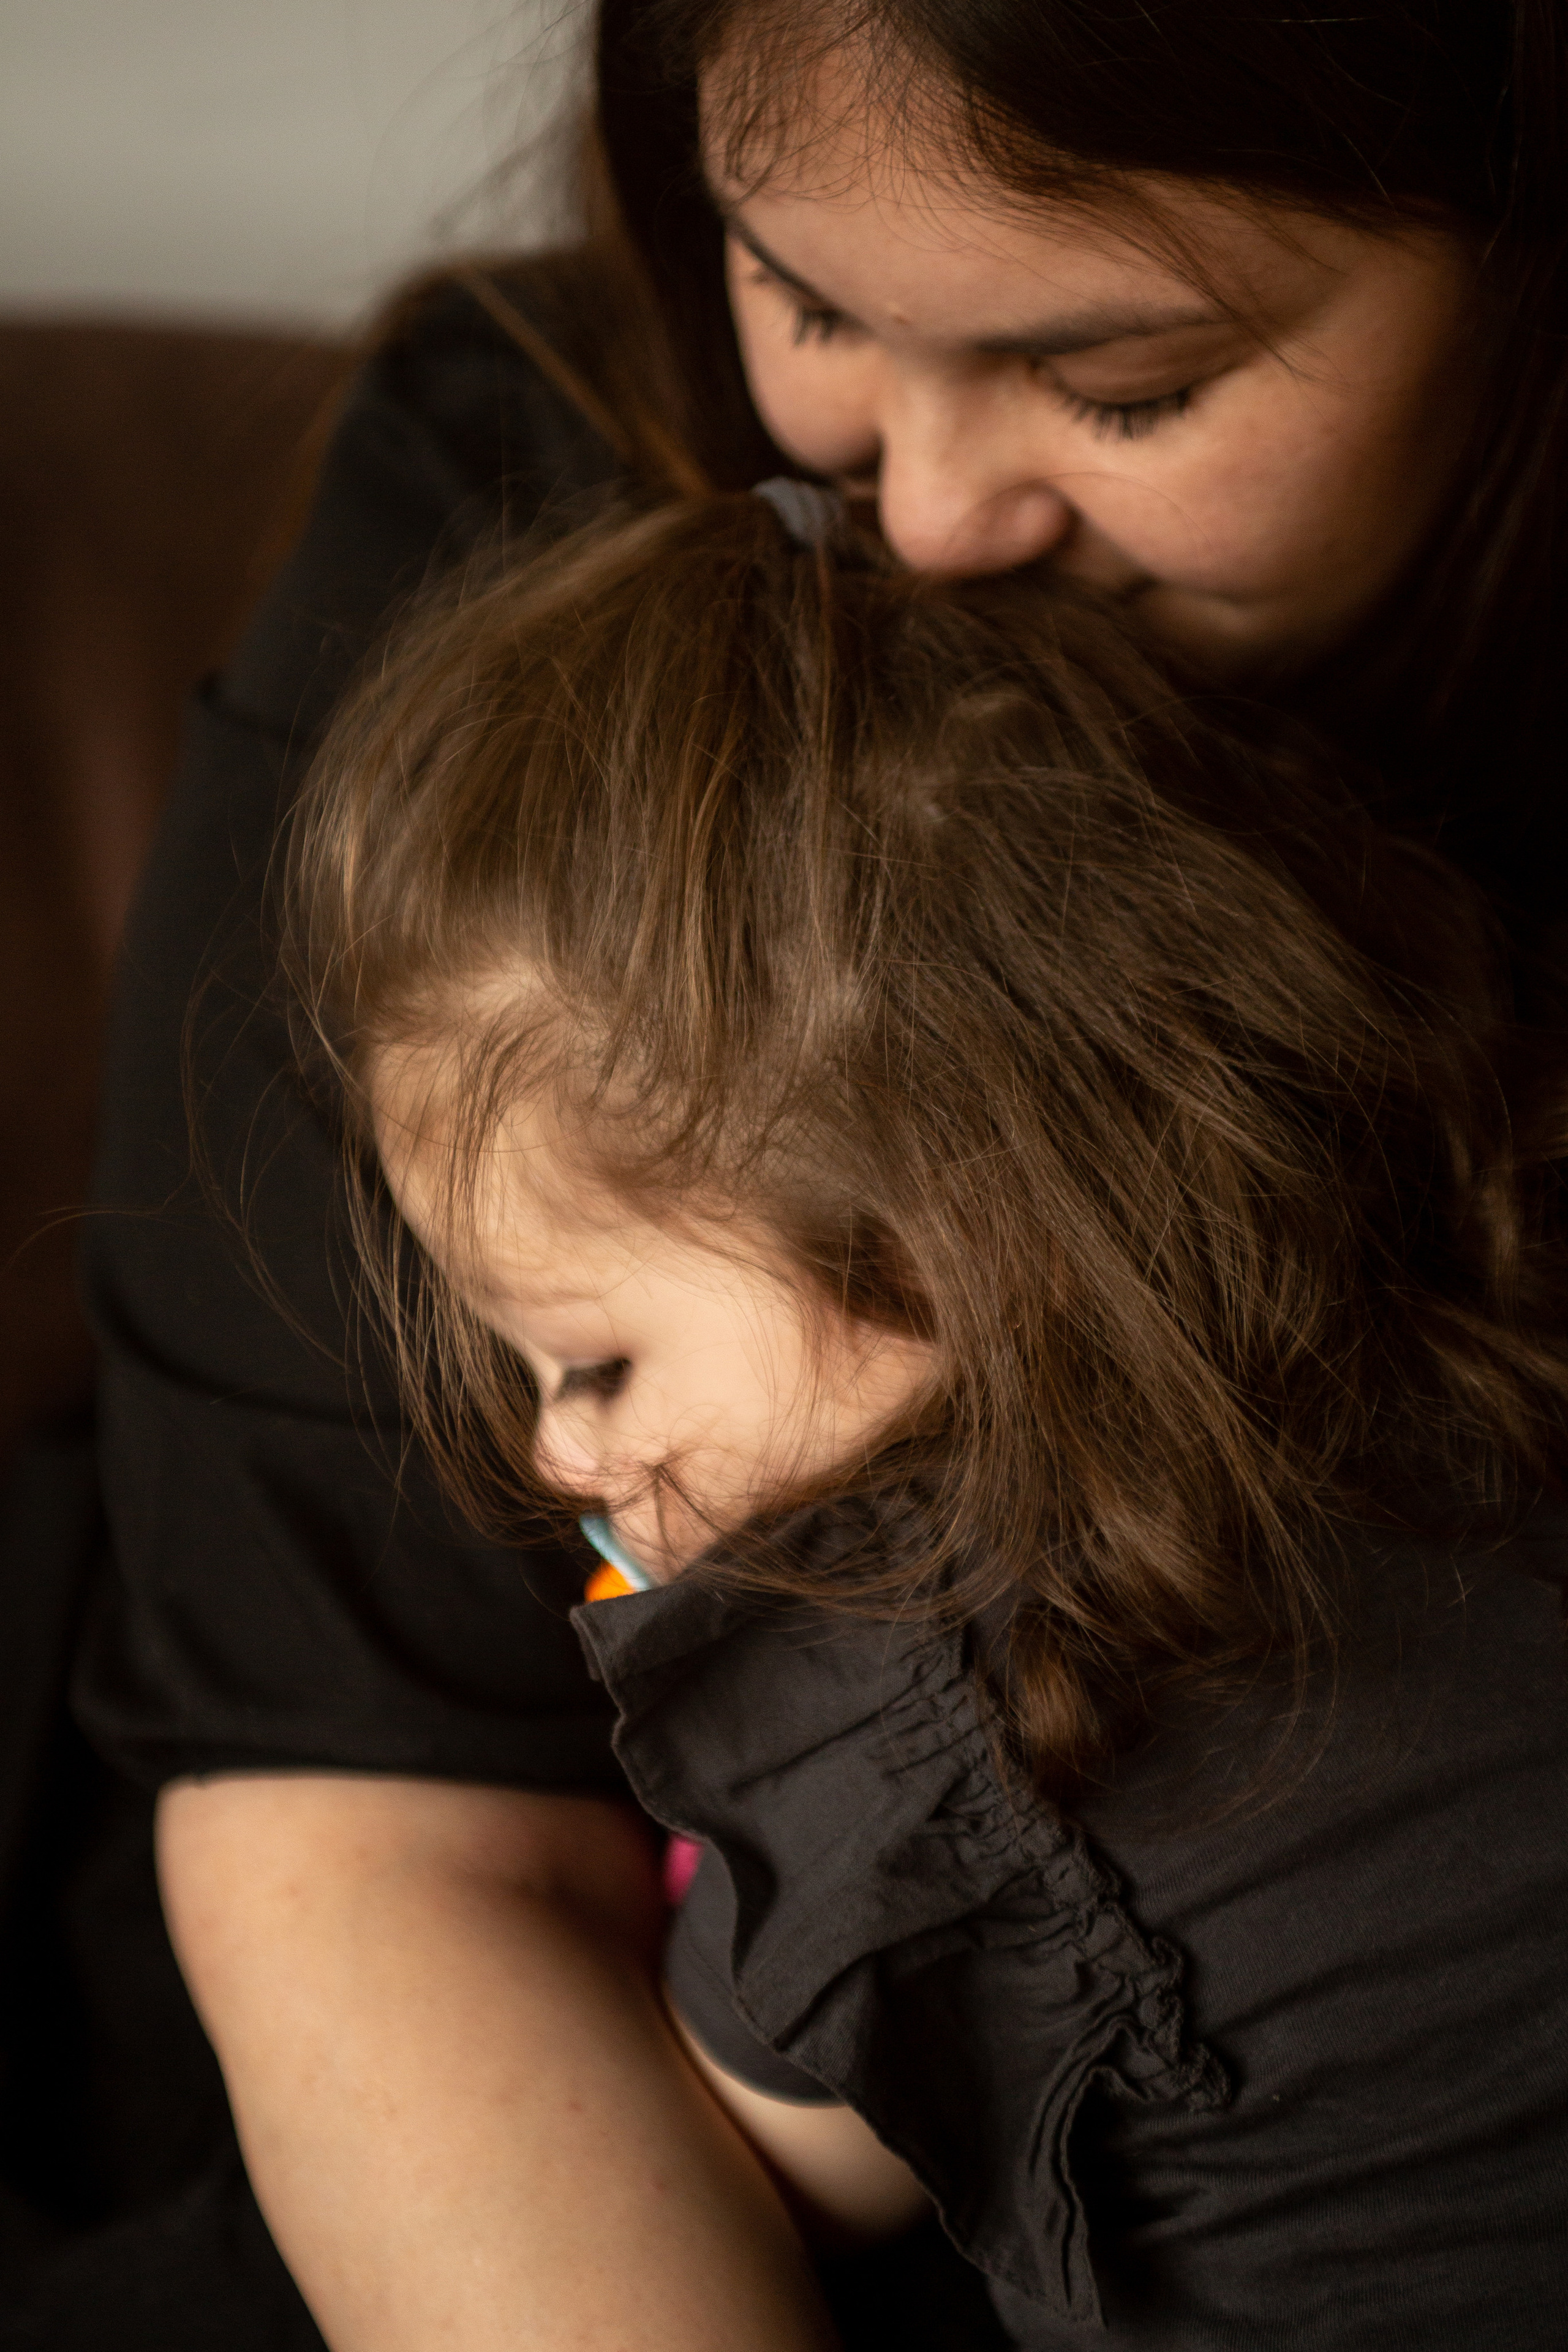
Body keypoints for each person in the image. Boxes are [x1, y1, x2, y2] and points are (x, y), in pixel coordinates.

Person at [1, 0, 1562, 2343]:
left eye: (1124, 387)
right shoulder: (514, 616)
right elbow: (374, 1831)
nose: (915, 522)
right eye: (806, 299)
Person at [279, 483, 1568, 2347]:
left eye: (597, 1362)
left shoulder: (909, 1718)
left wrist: (724, 1874)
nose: (559, 1457)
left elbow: (791, 2154)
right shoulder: (1472, 1285)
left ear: (939, 1258)